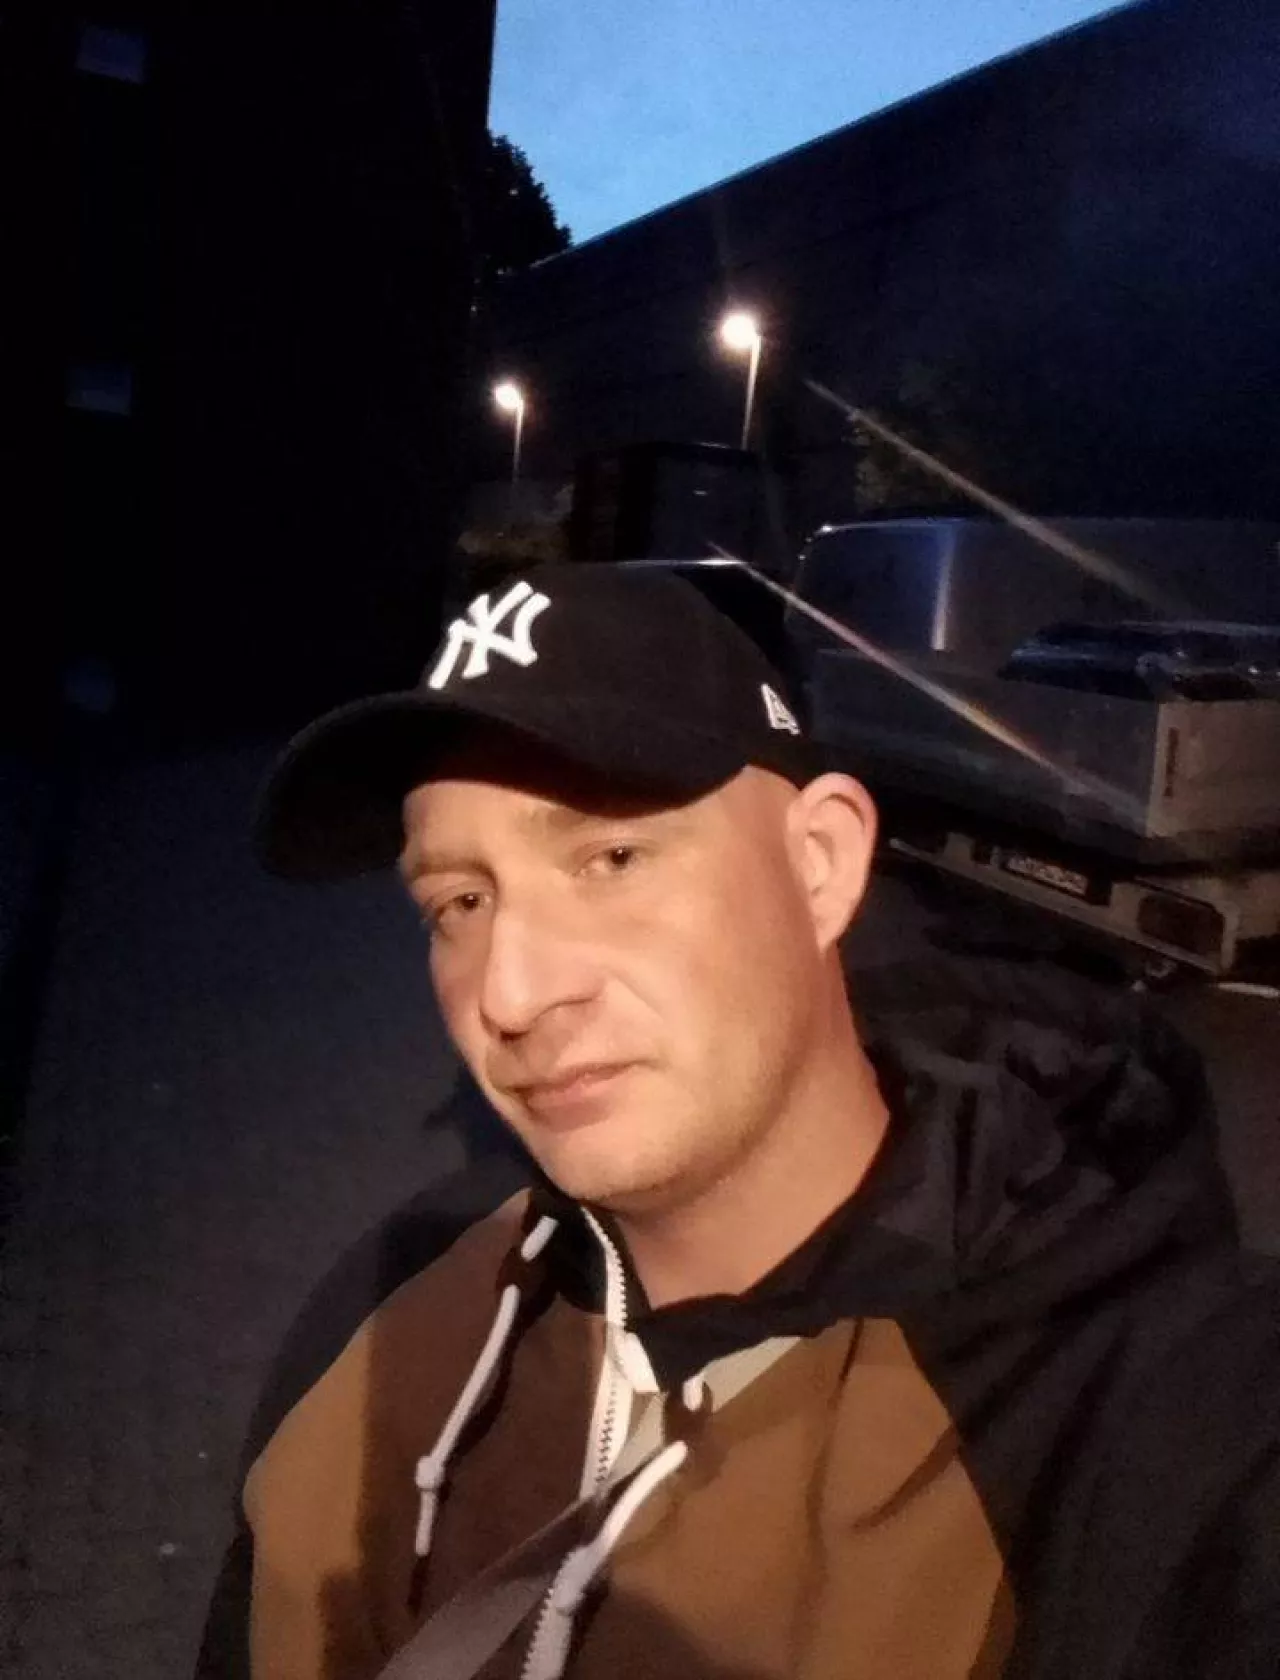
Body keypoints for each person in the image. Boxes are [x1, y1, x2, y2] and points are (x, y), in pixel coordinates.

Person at [200, 562, 1280, 1680]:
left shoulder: (1178, 1430)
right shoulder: (390, 1301)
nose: (510, 995)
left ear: (819, 864)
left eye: (611, 858)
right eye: (459, 903)